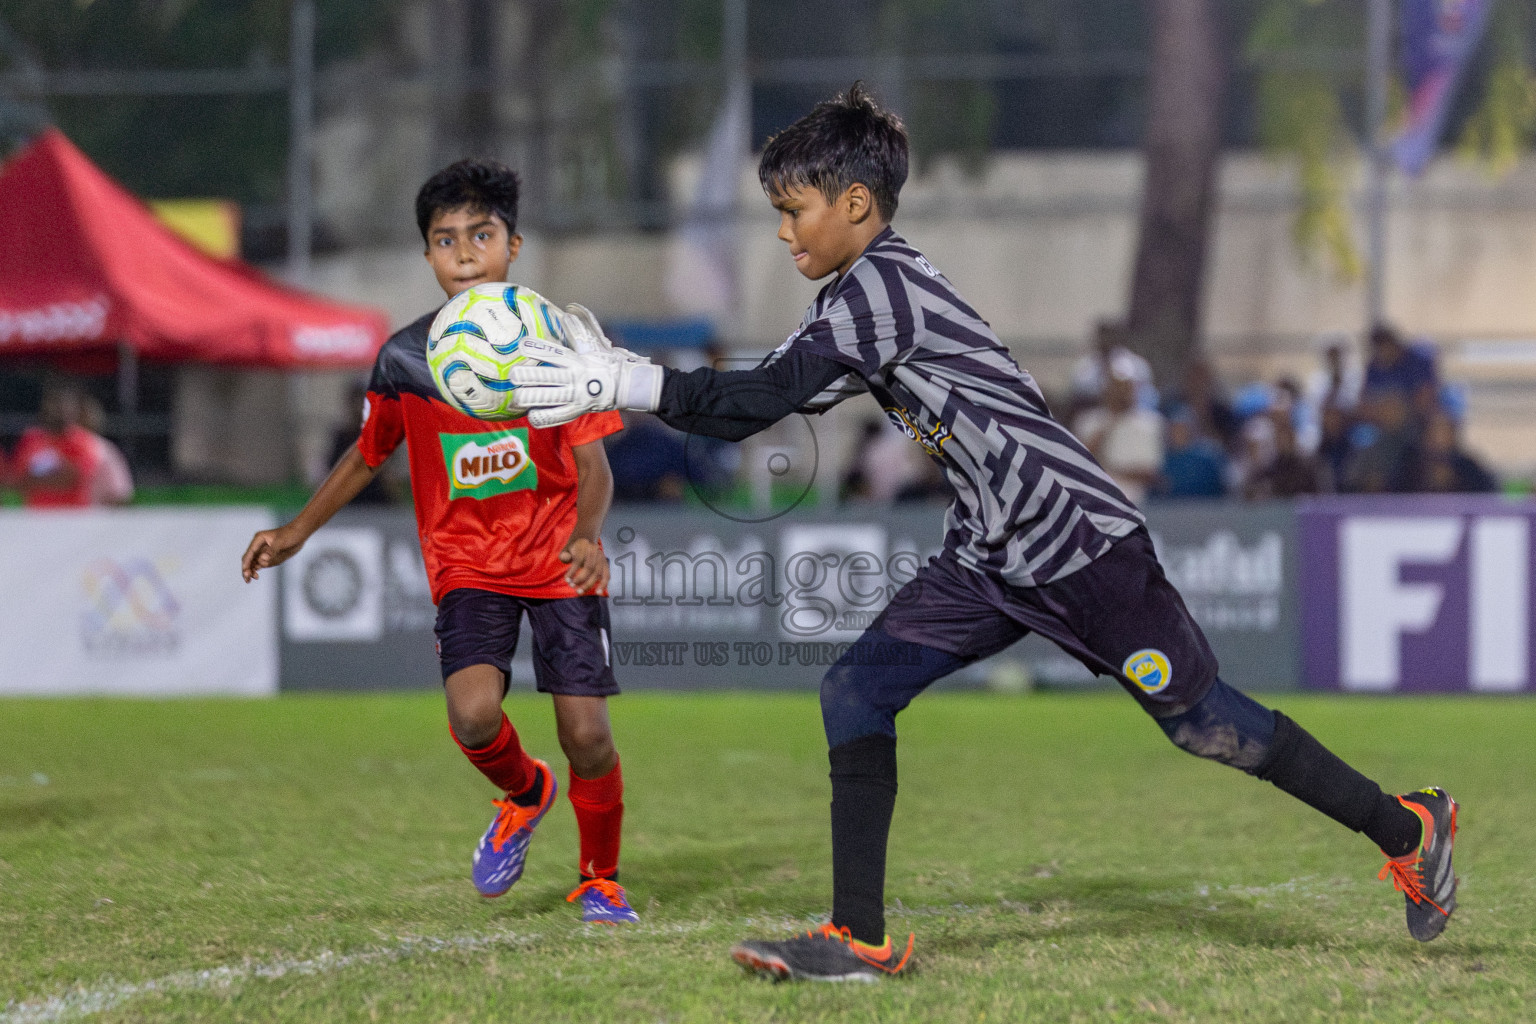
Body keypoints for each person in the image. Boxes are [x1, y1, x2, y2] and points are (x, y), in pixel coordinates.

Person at [504, 84, 1459, 979]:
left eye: (795, 210)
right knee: (855, 691)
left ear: (859, 205)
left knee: (1206, 726)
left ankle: (1407, 828)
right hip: (992, 557)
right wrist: (629, 377)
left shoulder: (881, 292)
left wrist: (624, 381)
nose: (784, 229)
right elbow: (746, 403)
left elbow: (757, 401)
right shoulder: (852, 297)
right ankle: (859, 937)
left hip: (1081, 545)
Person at [240, 159, 639, 924]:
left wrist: (587, 534)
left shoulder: (554, 345)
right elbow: (367, 454)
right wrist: (294, 532)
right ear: (427, 255)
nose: (463, 253)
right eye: (444, 239)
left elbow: (594, 465)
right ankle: (526, 793)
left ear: (513, 246)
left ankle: (600, 878)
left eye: (481, 235)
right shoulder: (404, 359)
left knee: (586, 732)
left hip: (559, 556)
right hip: (466, 564)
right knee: (474, 716)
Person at [1072, 371, 1164, 505]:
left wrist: (1108, 471)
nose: (1120, 394)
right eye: (1116, 388)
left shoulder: (1150, 423)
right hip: (1092, 503)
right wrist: (1111, 422)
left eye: (1125, 388)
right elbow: (1080, 462)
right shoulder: (1088, 420)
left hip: (1136, 504)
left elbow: (1149, 474)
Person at [13, 380, 100, 508]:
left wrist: (38, 480)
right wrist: (56, 476)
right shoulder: (31, 438)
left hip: (72, 517)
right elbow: (19, 480)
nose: (60, 409)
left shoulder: (83, 441)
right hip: (36, 517)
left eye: (65, 405)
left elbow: (76, 479)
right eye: (55, 403)